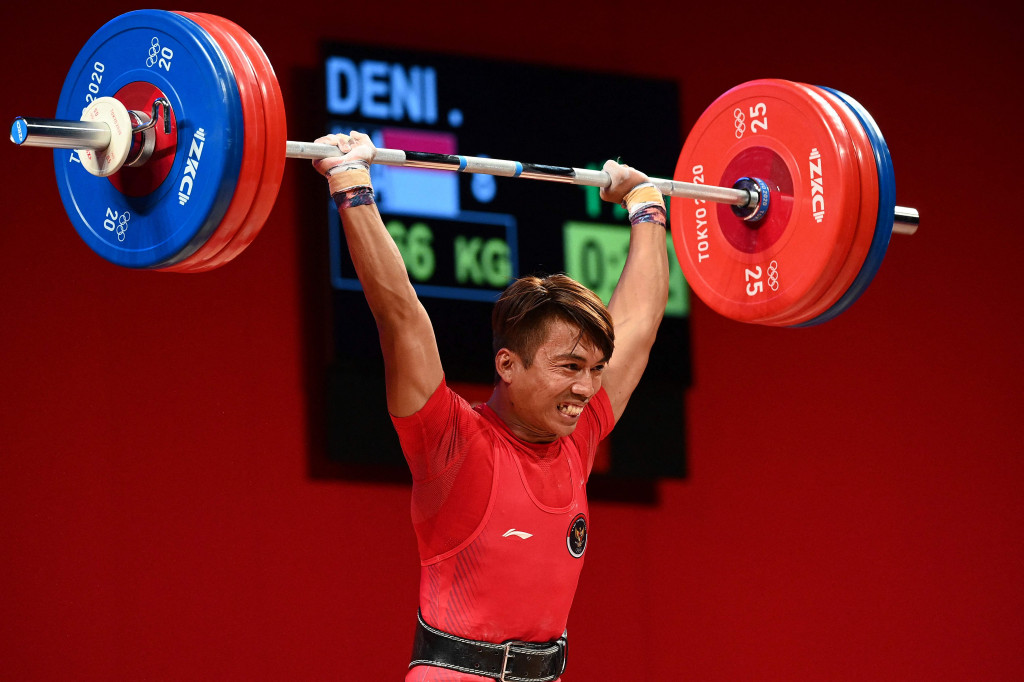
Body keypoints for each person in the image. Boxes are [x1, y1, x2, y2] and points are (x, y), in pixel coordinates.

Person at [313, 131, 669, 681]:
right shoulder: (450, 441)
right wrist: (352, 185)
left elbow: (639, 328)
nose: (587, 388)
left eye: (595, 370)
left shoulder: (579, 437)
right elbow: (399, 314)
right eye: (569, 367)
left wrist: (647, 208)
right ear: (507, 365)